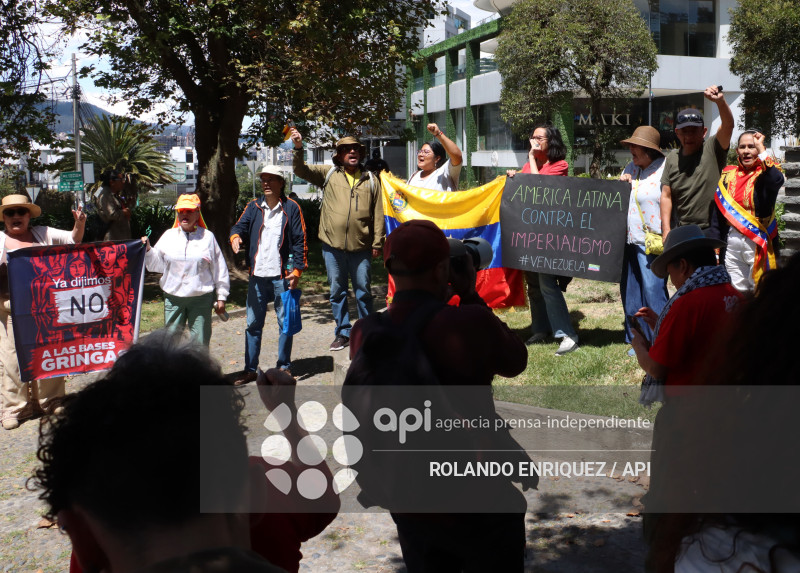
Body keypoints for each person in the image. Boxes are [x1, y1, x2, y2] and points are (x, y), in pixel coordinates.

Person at [349, 219, 534, 572]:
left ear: (389, 268)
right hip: (477, 498)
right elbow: (516, 361)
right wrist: (470, 293)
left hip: (408, 499)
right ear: (441, 270)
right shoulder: (468, 324)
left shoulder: (364, 332)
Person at [33, 332, 295, 573]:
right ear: (255, 494)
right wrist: (285, 411)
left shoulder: (95, 529)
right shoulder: (274, 511)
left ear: (81, 538)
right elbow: (324, 494)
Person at [629, 225, 743, 570]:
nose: (672, 282)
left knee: (670, 496)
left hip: (686, 419)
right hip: (732, 414)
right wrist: (663, 321)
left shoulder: (688, 302)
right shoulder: (736, 294)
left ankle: (668, 558)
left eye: (671, 273)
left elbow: (659, 368)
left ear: (683, 266)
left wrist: (638, 344)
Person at [290, 129, 383, 352]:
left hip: (361, 247)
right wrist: (298, 148)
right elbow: (300, 169)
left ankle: (366, 332)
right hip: (332, 247)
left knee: (363, 291)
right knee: (337, 292)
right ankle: (343, 332)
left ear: (361, 154)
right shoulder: (328, 173)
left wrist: (378, 242)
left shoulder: (371, 179)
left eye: (356, 149)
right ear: (339, 155)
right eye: (346, 150)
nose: (352, 152)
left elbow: (378, 212)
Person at [0, 194, 86, 430]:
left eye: (21, 211)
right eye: (10, 213)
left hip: (45, 309)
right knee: (11, 360)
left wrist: (79, 223)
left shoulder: (44, 233)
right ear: (4, 217)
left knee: (48, 354)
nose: (16, 216)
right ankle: (15, 407)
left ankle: (51, 400)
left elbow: (73, 240)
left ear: (29, 215)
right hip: (10, 311)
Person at [230, 165, 308, 383]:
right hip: (257, 277)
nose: (266, 183)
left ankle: (283, 366)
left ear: (281, 183)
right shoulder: (253, 207)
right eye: (263, 179)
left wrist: (297, 270)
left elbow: (300, 240)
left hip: (282, 277)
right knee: (253, 324)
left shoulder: (291, 208)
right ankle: (250, 369)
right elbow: (238, 227)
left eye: (271, 179)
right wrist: (235, 237)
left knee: (286, 323)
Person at [508, 124, 578, 355]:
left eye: (539, 138)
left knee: (548, 284)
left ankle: (567, 334)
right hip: (529, 234)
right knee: (534, 286)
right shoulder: (531, 165)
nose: (534, 141)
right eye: (532, 137)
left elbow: (539, 189)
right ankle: (540, 330)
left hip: (549, 236)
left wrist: (530, 160)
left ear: (551, 142)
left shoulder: (560, 165)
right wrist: (514, 177)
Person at [144, 193, 229, 346]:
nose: (184, 214)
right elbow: (155, 265)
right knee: (171, 343)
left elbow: (219, 268)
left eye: (189, 211)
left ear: (197, 213)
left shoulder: (208, 237)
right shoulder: (169, 236)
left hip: (201, 299)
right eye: (181, 211)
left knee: (200, 343)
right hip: (173, 298)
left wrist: (221, 296)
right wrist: (149, 249)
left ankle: (199, 370)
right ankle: (173, 370)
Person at [709, 130, 785, 292]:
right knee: (736, 294)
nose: (746, 151)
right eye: (742, 147)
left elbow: (776, 181)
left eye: (752, 146)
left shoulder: (766, 174)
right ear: (737, 151)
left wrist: (762, 149)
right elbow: (717, 215)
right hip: (732, 241)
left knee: (761, 292)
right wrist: (715, 247)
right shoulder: (728, 174)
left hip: (758, 242)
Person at [618, 126, 670, 352]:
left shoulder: (664, 170)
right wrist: (622, 183)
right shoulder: (631, 167)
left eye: (635, 146)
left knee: (653, 291)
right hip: (628, 240)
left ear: (649, 150)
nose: (631, 150)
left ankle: (661, 338)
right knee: (630, 292)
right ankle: (637, 338)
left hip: (651, 242)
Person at [660, 86, 734, 238]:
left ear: (704, 132)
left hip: (712, 229)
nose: (689, 136)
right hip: (682, 230)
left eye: (693, 131)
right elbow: (666, 196)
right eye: (684, 131)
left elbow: (728, 126)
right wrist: (666, 230)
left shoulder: (713, 148)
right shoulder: (672, 158)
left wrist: (720, 102)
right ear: (677, 133)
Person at [407, 123, 463, 191]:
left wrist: (438, 134)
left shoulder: (444, 172)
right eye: (420, 151)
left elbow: (457, 156)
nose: (420, 154)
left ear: (437, 158)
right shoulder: (414, 176)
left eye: (426, 152)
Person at [95, 169, 133, 240]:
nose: (123, 182)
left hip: (120, 239)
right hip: (113, 241)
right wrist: (125, 212)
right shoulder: (105, 195)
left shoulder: (113, 194)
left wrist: (126, 205)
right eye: (121, 179)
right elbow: (112, 214)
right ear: (112, 182)